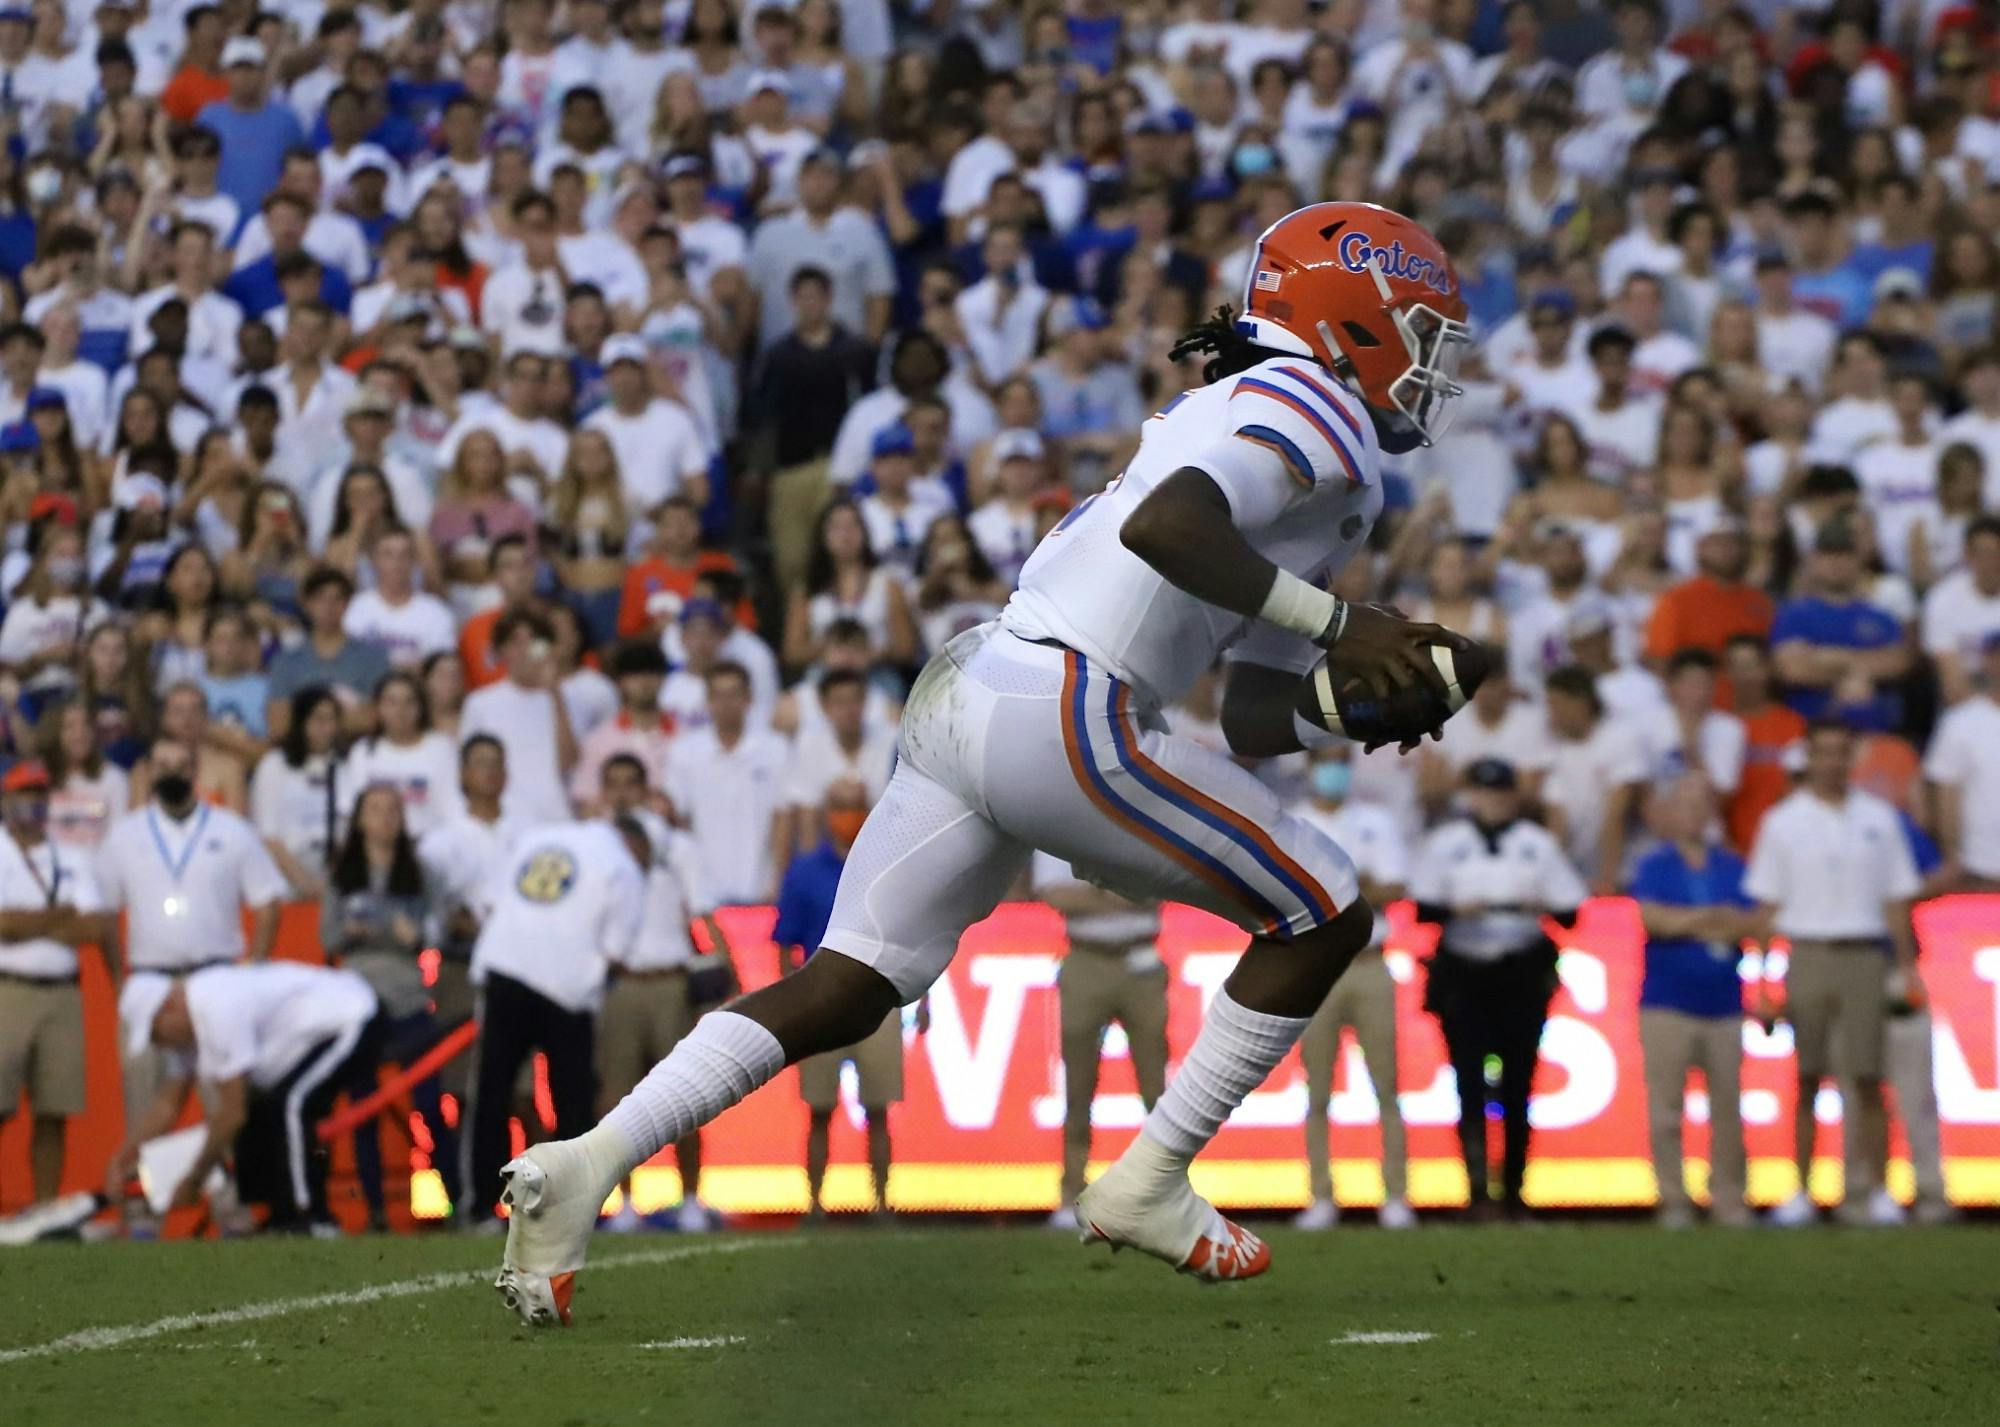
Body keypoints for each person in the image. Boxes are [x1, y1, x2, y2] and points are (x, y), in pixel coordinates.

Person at [495, 202, 1476, 1322]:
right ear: (1351, 322)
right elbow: (1171, 529)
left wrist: (1344, 713)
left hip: (984, 683)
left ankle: (580, 1164)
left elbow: (1252, 712)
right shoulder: (1310, 404)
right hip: (1069, 700)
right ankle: (1148, 1177)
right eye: (1417, 331)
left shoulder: (1282, 436)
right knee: (1327, 911)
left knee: (849, 980)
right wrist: (1345, 626)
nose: (1428, 365)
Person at [1746, 721, 1924, 1228]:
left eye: (1841, 754)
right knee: (1806, 1076)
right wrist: (1762, 978)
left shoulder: (1879, 819)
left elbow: (1896, 899)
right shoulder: (1783, 821)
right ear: (1810, 759)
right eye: (1823, 754)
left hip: (1864, 953)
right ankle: (1800, 1190)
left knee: (1870, 1078)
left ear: (1852, 760)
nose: (1832, 763)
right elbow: (1767, 905)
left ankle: (1878, 1190)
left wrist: (1907, 968)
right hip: (1809, 951)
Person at [1411, 759, 1585, 1220]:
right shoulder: (1447, 844)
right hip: (1465, 968)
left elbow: (1570, 911)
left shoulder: (1536, 844)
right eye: (1484, 793)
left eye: (1501, 794)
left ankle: (1513, 1191)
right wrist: (1456, 908)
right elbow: (1423, 908)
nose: (1493, 802)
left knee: (1518, 1081)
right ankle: (1476, 1192)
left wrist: (1538, 903)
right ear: (1470, 796)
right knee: (1467, 1079)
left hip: (1519, 968)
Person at [464, 816, 648, 1225]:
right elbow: (617, 952)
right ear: (637, 846)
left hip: (504, 971)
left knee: (492, 1094)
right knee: (573, 1101)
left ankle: (480, 1206)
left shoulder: (536, 835)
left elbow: (489, 903)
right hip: (567, 990)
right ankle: (571, 1208)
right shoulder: (625, 867)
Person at [111, 962, 381, 1235]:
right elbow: (167, 1106)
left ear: (169, 1008)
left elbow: (232, 1113)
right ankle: (279, 1216)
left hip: (353, 1015)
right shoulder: (192, 1018)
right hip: (317, 1032)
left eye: (156, 1034)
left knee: (292, 1104)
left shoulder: (217, 1008)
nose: (158, 1045)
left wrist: (194, 1179)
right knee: (266, 1108)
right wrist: (122, 1159)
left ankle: (309, 1216)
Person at [594, 753, 734, 1234]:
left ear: (645, 790)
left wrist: (724, 971)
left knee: (682, 1097)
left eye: (630, 784)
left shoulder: (674, 846)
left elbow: (703, 912)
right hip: (618, 983)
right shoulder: (592, 851)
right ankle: (627, 1204)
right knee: (617, 1102)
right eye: (612, 785)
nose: (621, 794)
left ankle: (691, 1197)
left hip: (670, 982)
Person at [1289, 744, 1414, 1231]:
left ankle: (1396, 1194)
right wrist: (1355, 885)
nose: (1333, 770)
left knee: (1387, 1082)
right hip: (1315, 964)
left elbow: (1395, 887)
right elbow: (1290, 892)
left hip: (1367, 961)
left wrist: (1331, 887)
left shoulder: (1375, 821)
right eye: (1326, 761)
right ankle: (1321, 1194)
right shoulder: (1293, 823)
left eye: (1340, 760)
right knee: (1316, 1086)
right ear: (1311, 768)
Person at [1628, 776, 1758, 1229]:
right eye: (1683, 804)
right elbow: (1653, 921)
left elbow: (1750, 923)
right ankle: (1673, 1199)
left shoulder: (1733, 864)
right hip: (1668, 1002)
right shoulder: (1655, 865)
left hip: (1724, 1002)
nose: (1692, 814)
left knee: (1728, 1107)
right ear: (1667, 813)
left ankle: (1729, 1197)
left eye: (1700, 804)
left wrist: (1690, 922)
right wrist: (1710, 919)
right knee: (1666, 1107)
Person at [321, 782, 453, 1225]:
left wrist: (415, 938)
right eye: (374, 809)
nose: (384, 818)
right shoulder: (342, 872)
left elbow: (440, 929)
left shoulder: (421, 870)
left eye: (392, 809)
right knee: (364, 1109)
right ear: (359, 819)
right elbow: (328, 936)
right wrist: (350, 934)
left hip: (409, 998)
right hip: (357, 1002)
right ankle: (375, 1209)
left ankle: (456, 1198)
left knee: (431, 1104)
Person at [777, 781, 906, 1218]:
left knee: (879, 1107)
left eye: (853, 806)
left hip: (875, 994)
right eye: (839, 806)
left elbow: (909, 935)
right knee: (818, 1108)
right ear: (825, 810)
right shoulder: (805, 871)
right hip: (821, 999)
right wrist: (792, 999)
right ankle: (814, 1203)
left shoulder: (887, 866)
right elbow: (786, 942)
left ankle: (882, 1203)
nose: (846, 814)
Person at [1034, 849, 1167, 1230]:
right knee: (1078, 1088)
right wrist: (1118, 895)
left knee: (1156, 1087)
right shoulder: (1062, 828)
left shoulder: (1143, 817)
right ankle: (1071, 1192)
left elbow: (1162, 885)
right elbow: (1055, 894)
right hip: (1086, 959)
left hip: (1141, 959)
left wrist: (1093, 896)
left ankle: (1163, 1192)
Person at [0, 760, 111, 1206]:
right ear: (6, 800)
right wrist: (56, 917)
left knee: (54, 1109)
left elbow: (93, 928)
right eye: (25, 794)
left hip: (63, 992)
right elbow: (2, 924)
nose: (34, 803)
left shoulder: (73, 854)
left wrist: (26, 923)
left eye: (39, 794)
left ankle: (45, 1207)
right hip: (9, 989)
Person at [664, 661, 789, 905]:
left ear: (749, 699)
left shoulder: (775, 749)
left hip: (760, 889)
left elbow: (782, 819)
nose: (726, 704)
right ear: (707, 701)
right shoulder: (684, 752)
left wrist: (777, 882)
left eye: (734, 694)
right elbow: (679, 821)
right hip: (704, 893)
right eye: (719, 695)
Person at [459, 608, 578, 825]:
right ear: (501, 651)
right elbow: (469, 770)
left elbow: (568, 762)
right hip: (504, 817)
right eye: (515, 642)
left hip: (555, 814)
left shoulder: (567, 698)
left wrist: (555, 694)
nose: (524, 650)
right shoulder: (480, 703)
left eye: (532, 640)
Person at [1924, 633, 2000, 891]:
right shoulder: (1961, 723)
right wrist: (1952, 854)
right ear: (1988, 661)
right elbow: (1946, 794)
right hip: (1982, 866)